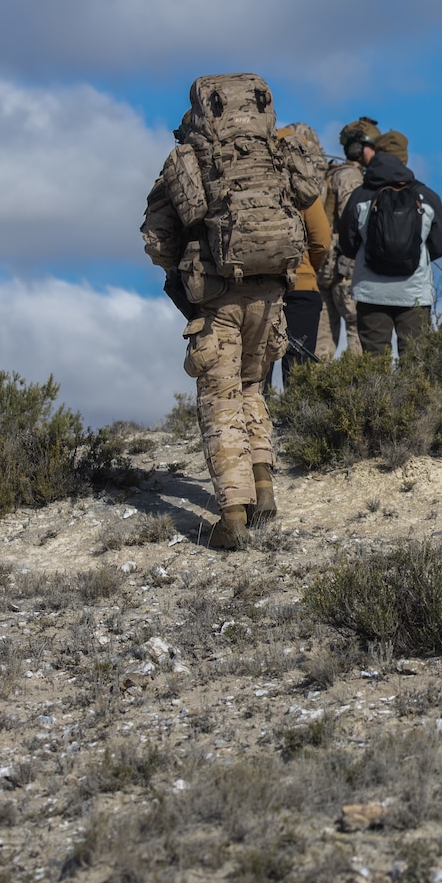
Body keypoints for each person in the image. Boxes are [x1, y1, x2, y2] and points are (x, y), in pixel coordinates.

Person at [140, 73, 323, 549]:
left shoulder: (189, 159)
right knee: (251, 389)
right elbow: (306, 200)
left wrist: (182, 270)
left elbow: (157, 236)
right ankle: (263, 489)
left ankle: (232, 516)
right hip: (273, 292)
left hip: (218, 297)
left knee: (219, 400)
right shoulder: (270, 150)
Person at [336, 140, 442, 355]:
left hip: (370, 293)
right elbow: (441, 245)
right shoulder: (426, 196)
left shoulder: (360, 196)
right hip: (414, 293)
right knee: (416, 363)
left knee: (375, 365)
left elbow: (348, 245)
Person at [319, 117, 379, 358]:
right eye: (372, 146)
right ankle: (357, 393)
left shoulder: (329, 174)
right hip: (345, 268)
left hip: (323, 267)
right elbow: (354, 221)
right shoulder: (351, 177)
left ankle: (314, 393)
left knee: (322, 344)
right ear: (358, 147)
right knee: (358, 333)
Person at [278, 123, 334, 378]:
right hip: (301, 285)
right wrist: (309, 268)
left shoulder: (248, 178)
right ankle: (294, 418)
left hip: (255, 288)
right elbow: (322, 238)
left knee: (255, 371)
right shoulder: (299, 181)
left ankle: (257, 417)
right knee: (298, 368)